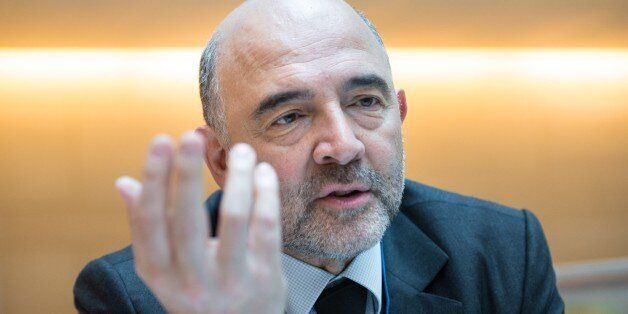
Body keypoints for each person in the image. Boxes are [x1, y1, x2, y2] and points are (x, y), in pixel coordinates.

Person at [73, 0, 565, 313]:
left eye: (365, 102)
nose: (343, 145)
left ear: (400, 113)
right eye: (289, 117)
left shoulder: (502, 253)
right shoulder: (135, 297)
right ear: (222, 161)